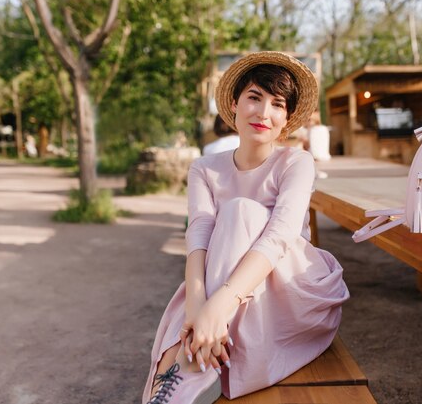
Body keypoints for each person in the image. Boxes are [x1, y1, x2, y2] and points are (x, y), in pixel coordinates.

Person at [143, 51, 349, 404]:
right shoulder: (204, 169)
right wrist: (198, 311)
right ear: (235, 104)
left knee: (241, 213)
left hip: (290, 290)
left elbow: (280, 236)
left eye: (277, 104)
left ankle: (188, 367)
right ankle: (188, 357)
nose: (263, 113)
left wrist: (217, 306)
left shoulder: (296, 163)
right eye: (254, 97)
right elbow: (199, 238)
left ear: (286, 118)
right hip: (232, 291)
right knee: (205, 265)